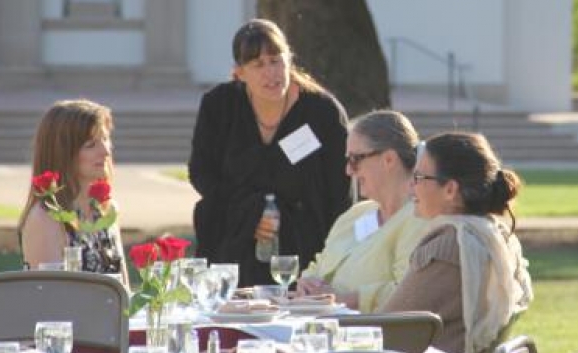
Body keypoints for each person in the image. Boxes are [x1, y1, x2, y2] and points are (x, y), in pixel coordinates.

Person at [188, 18, 351, 286]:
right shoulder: (219, 106)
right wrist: (251, 215)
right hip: (232, 244)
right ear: (239, 73)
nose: (270, 73)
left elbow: (340, 194)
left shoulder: (322, 113)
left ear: (290, 60)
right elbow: (201, 173)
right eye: (258, 64)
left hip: (305, 252)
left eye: (276, 60)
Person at [380, 132, 533, 353]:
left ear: (450, 190)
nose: (410, 187)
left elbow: (386, 327)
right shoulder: (496, 235)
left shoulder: (450, 245)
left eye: (419, 178)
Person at [296, 110, 428, 312]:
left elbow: (409, 293)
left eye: (355, 159)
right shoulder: (355, 215)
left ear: (389, 160)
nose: (348, 170)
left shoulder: (420, 219)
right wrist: (306, 284)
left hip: (373, 338)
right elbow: (318, 265)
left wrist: (342, 300)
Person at [18, 99, 128, 286]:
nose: (106, 151)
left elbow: (125, 293)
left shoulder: (106, 210)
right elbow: (50, 299)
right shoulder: (46, 218)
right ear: (63, 153)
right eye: (91, 144)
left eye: (105, 139)